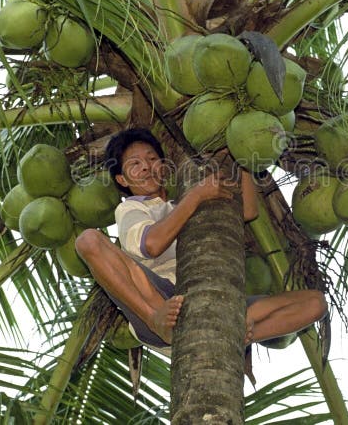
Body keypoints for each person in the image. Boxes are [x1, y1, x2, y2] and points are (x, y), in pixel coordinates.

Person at [75, 127, 327, 349]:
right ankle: (155, 319)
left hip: (208, 298)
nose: (145, 167)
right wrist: (196, 195)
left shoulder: (180, 208)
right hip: (157, 296)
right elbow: (152, 244)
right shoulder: (132, 208)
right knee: (88, 240)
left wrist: (244, 160)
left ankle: (242, 330)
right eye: (135, 164)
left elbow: (248, 211)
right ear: (122, 179)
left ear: (164, 166)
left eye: (152, 159)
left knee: (315, 303)